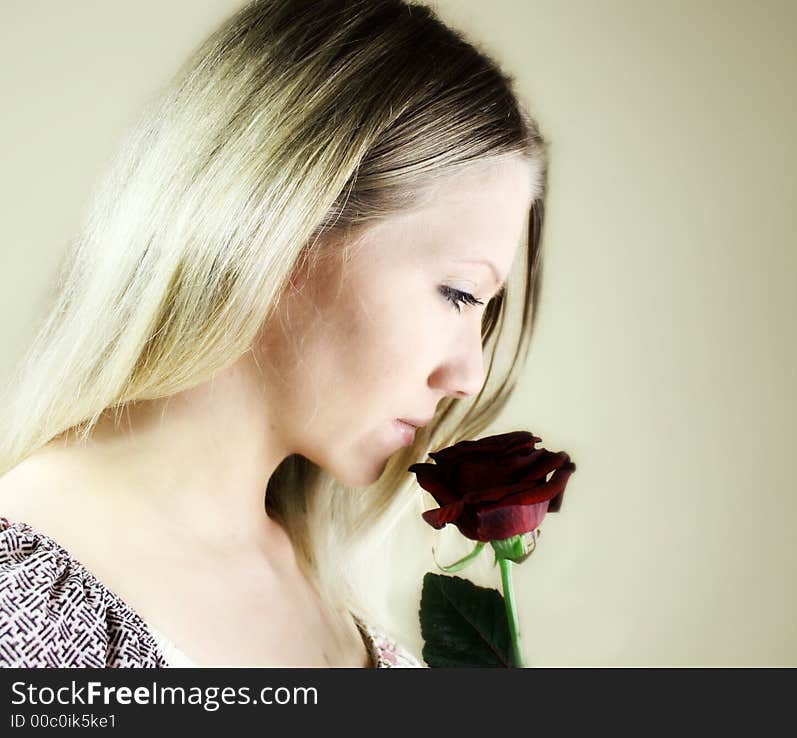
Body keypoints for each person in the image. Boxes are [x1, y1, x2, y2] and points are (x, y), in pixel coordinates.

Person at [0, 0, 547, 667]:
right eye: (459, 293)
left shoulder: (337, 600)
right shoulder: (19, 599)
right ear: (285, 231)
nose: (470, 376)